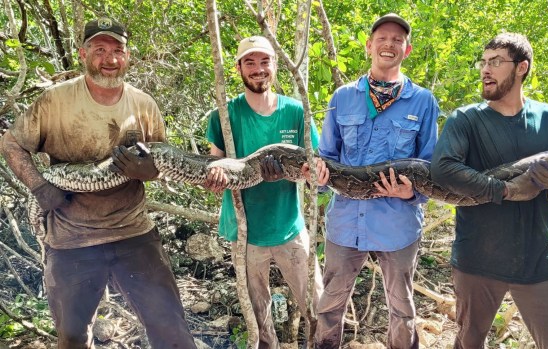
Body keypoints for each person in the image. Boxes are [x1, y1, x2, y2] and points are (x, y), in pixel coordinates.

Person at [0, 17, 197, 349]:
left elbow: (163, 159)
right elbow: (10, 143)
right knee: (73, 340)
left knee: (172, 332)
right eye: (100, 49)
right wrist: (39, 186)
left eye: (117, 50)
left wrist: (152, 172)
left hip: (133, 233)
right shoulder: (55, 101)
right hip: (71, 240)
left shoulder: (143, 104)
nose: (110, 59)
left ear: (128, 55)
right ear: (82, 53)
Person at [430, 33, 548, 349]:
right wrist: (505, 190)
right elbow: (443, 169)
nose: (485, 69)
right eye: (483, 62)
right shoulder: (465, 120)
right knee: (468, 342)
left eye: (496, 62)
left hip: (539, 260)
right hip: (476, 261)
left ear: (521, 67)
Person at [315, 13, 440, 348]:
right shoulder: (342, 97)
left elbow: (431, 166)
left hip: (398, 224)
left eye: (397, 40)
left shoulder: (423, 101)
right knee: (329, 305)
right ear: (369, 45)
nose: (389, 44)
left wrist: (412, 191)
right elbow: (326, 155)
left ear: (407, 49)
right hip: (345, 222)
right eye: (382, 38)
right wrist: (319, 177)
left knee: (402, 309)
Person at [204, 35, 327, 349]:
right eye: (250, 62)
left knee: (319, 308)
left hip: (289, 228)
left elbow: (316, 172)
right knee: (259, 319)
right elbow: (213, 166)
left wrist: (303, 174)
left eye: (264, 61)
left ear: (274, 66)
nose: (258, 69)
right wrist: (215, 177)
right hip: (244, 233)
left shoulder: (297, 112)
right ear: (239, 68)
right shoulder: (224, 115)